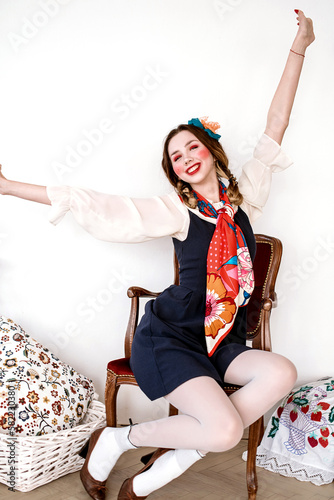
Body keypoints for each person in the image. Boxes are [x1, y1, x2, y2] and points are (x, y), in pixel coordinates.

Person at [0, 9, 315, 500]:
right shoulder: (175, 211)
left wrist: (301, 45)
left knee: (281, 372)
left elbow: (277, 125)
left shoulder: (244, 197)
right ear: (174, 172)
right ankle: (123, 445)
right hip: (170, 338)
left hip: (220, 341)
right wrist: (8, 187)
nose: (187, 157)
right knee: (225, 431)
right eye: (176, 157)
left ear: (211, 152)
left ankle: (145, 458)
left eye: (193, 147)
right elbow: (97, 202)